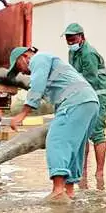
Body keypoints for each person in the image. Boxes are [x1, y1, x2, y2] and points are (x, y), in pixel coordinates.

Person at [8, 46, 98, 200]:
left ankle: (58, 190)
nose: (22, 72)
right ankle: (69, 191)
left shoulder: (38, 59)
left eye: (18, 67)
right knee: (74, 147)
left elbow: (37, 86)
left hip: (76, 101)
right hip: (89, 102)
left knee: (56, 141)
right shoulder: (50, 62)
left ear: (25, 56)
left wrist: (22, 114)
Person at [63, 23, 106, 187]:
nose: (70, 42)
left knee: (97, 133)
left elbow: (90, 80)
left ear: (82, 37)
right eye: (68, 39)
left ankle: (99, 173)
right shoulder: (72, 52)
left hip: (98, 96)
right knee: (82, 133)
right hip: (83, 95)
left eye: (73, 39)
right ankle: (82, 171)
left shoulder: (89, 53)